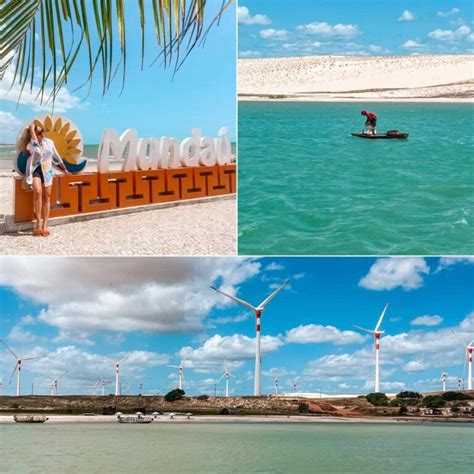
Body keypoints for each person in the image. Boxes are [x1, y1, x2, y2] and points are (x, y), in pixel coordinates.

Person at [19, 124, 71, 236]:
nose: (40, 135)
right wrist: (32, 129)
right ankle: (38, 224)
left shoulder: (49, 142)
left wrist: (65, 169)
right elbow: (36, 146)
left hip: (47, 171)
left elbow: (56, 156)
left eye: (41, 132)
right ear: (32, 134)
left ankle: (45, 225)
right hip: (35, 170)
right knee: (38, 192)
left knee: (47, 196)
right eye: (38, 133)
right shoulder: (30, 145)